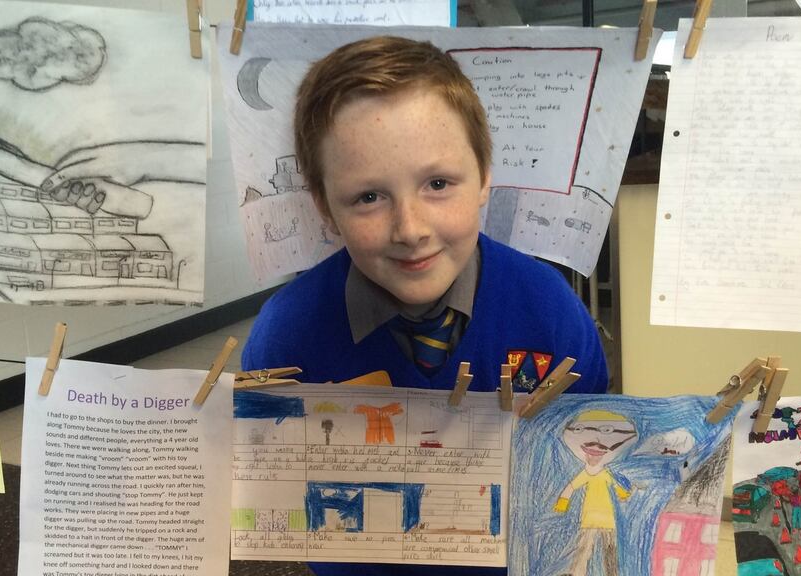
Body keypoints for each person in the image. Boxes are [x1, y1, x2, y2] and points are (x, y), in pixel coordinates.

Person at [242, 36, 608, 576]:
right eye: (368, 197)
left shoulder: (550, 314)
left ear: (484, 178)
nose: (410, 230)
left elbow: (589, 447)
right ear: (324, 206)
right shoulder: (286, 337)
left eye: (438, 183)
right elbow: (269, 481)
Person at [553, 410, 637, 576]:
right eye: (591, 453)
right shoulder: (586, 473)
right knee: (585, 548)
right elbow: (570, 487)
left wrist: (626, 495)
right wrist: (562, 504)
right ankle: (578, 573)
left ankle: (611, 573)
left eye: (598, 454)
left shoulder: (605, 473)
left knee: (609, 549)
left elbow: (617, 488)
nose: (593, 458)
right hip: (590, 519)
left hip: (607, 519)